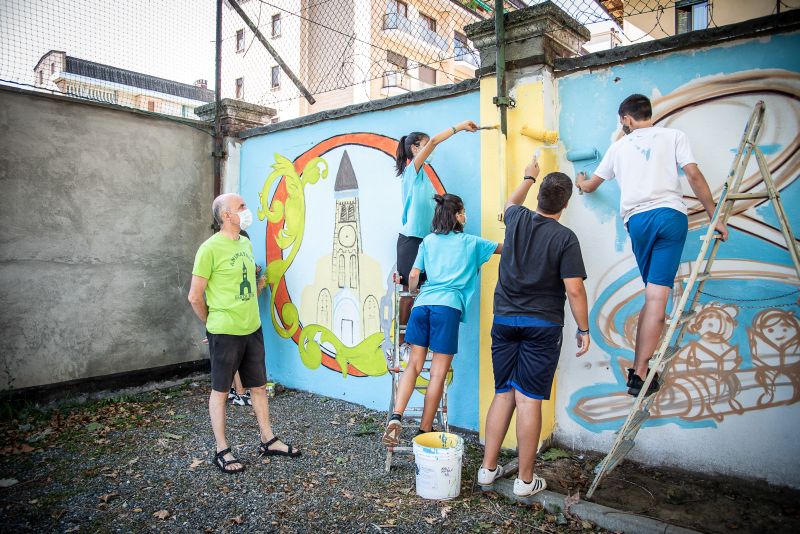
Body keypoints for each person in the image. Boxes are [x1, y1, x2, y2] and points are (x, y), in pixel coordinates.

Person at [576, 93, 727, 396]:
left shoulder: (618, 147)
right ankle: (640, 370)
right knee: (655, 297)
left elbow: (591, 184)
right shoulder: (673, 136)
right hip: (671, 218)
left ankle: (640, 370)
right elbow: (694, 175)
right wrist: (715, 216)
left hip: (639, 222)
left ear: (627, 119)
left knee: (653, 296)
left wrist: (580, 182)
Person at [478, 158, 590, 497]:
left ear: (538, 196)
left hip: (505, 321)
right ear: (566, 204)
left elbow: (511, 202)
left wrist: (528, 175)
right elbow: (574, 289)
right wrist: (583, 330)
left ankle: (487, 469)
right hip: (541, 325)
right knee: (528, 400)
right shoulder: (565, 238)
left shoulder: (517, 218)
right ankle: (525, 481)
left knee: (503, 393)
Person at [188, 193, 301, 474]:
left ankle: (268, 439)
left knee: (259, 386)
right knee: (221, 391)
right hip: (224, 331)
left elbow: (247, 283)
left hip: (252, 328)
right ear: (226, 215)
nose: (246, 210)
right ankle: (222, 450)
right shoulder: (209, 249)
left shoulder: (246, 244)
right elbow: (194, 296)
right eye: (241, 207)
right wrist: (212, 324)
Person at [382, 193, 501, 445]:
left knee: (413, 365)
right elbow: (504, 249)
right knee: (437, 373)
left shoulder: (428, 241)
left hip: (423, 305)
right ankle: (424, 431)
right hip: (447, 308)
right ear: (458, 216)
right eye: (464, 211)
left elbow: (414, 274)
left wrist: (414, 291)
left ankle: (395, 417)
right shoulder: (472, 242)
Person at [394, 121, 479, 343]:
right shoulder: (412, 172)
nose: (431, 150)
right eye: (423, 145)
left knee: (425, 289)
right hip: (411, 239)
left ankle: (419, 338)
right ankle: (403, 340)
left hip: (427, 240)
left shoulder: (424, 179)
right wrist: (459, 127)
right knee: (408, 290)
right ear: (415, 148)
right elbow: (433, 142)